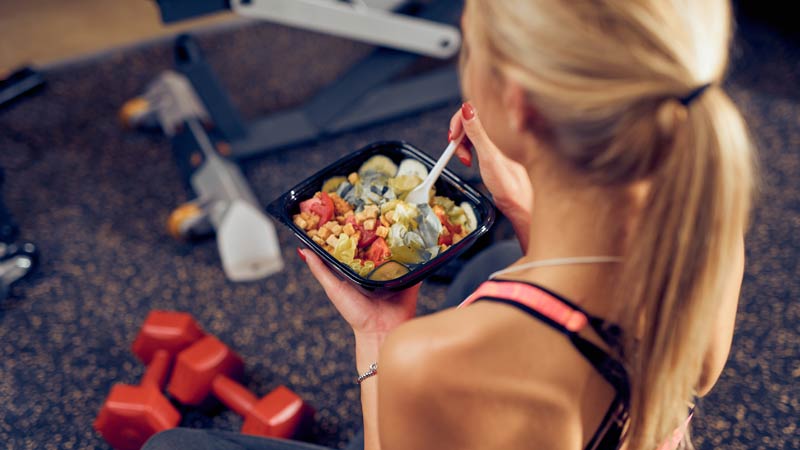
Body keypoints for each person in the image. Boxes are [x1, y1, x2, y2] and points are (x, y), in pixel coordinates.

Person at [145, 0, 754, 449]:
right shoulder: (707, 219)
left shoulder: (431, 362)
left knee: (168, 447)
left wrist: (381, 339)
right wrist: (522, 208)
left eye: (469, 44)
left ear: (515, 103)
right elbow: (600, 325)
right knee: (488, 268)